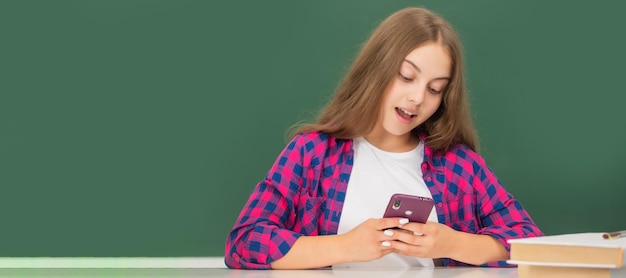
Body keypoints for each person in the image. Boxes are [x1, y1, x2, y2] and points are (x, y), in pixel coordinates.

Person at [224, 7, 543, 270]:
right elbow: (243, 243)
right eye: (406, 76)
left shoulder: (460, 165)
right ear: (377, 68)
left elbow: (531, 244)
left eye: (434, 89)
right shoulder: (312, 153)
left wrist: (453, 243)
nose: (417, 98)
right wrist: (345, 246)